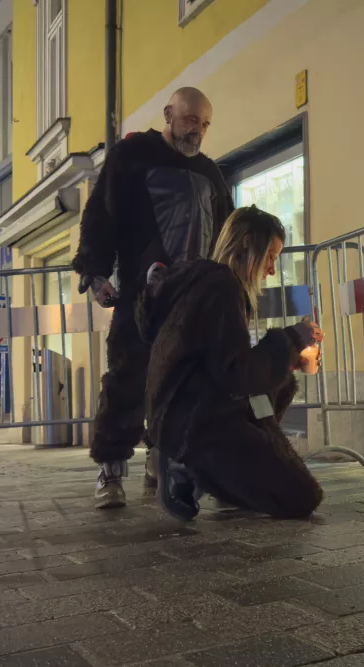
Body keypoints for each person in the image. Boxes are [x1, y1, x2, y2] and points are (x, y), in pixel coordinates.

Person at [73, 87, 233, 509]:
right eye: (189, 120)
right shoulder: (132, 157)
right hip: (140, 298)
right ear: (167, 113)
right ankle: (109, 472)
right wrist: (95, 272)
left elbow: (227, 234)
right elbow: (100, 215)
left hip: (193, 300)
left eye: (204, 124)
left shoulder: (211, 174)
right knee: (128, 381)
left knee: (185, 385)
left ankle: (162, 461)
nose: (197, 131)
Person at [137, 206, 325, 521]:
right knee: (303, 496)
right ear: (248, 246)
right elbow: (236, 375)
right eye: (271, 257)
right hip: (196, 424)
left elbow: (223, 362)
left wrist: (291, 357)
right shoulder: (221, 286)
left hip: (184, 413)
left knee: (281, 384)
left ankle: (217, 473)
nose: (271, 271)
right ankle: (189, 467)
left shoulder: (206, 282)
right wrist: (292, 338)